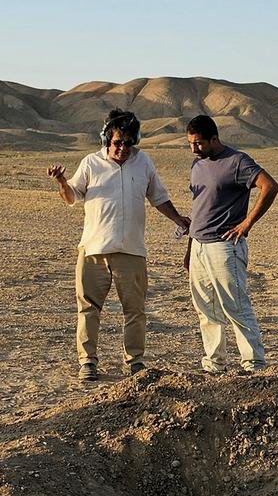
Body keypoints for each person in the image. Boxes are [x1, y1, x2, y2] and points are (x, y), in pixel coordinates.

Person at [48, 109, 191, 380]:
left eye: (128, 142)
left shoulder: (144, 163)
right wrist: (61, 182)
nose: (123, 148)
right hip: (93, 250)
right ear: (106, 140)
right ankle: (87, 361)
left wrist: (178, 219)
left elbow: (158, 197)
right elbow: (71, 197)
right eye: (117, 142)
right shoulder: (91, 163)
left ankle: (134, 361)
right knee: (89, 308)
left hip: (132, 251)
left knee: (135, 310)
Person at [183, 115, 278, 374]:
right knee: (206, 309)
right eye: (190, 143)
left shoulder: (237, 161)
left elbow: (269, 186)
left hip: (224, 246)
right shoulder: (197, 165)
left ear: (214, 139)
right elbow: (198, 208)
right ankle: (214, 363)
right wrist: (189, 247)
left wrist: (247, 224)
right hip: (199, 246)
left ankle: (253, 364)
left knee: (235, 305)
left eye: (199, 143)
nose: (194, 148)